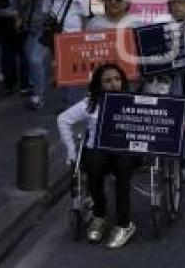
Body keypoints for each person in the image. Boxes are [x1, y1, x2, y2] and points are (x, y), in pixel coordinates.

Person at [57, 63, 138, 248]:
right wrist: (71, 151)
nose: (114, 84)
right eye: (108, 81)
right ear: (99, 85)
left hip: (125, 151)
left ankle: (124, 223)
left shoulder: (133, 100)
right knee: (92, 162)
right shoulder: (90, 104)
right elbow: (63, 119)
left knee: (124, 165)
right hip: (99, 150)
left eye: (117, 79)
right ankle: (99, 214)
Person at [43, 0, 90, 108]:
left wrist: (83, 38)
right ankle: (67, 101)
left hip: (72, 39)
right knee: (59, 70)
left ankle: (71, 104)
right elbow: (46, 12)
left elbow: (84, 17)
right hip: (55, 38)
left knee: (70, 72)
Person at [16, 0, 48, 109]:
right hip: (29, 31)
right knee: (32, 61)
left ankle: (39, 95)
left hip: (43, 31)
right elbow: (20, 11)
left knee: (35, 60)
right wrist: (19, 19)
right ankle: (36, 87)